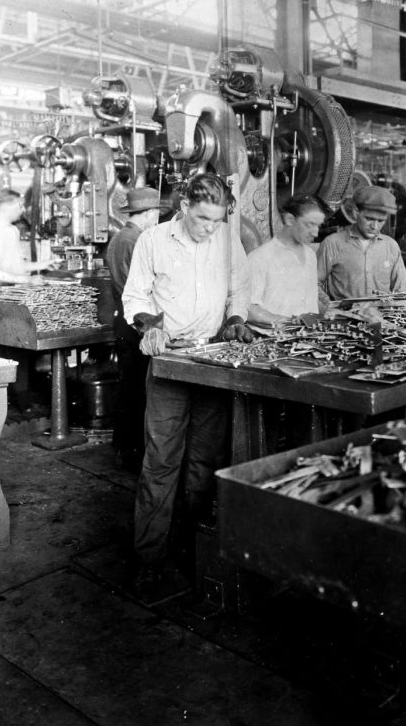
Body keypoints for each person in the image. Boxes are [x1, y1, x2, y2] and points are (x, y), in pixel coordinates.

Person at [121, 173, 251, 600]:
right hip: (170, 361)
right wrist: (149, 325)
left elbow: (240, 288)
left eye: (217, 220)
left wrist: (235, 319)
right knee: (161, 463)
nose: (210, 228)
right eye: (202, 219)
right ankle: (149, 560)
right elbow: (135, 296)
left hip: (211, 360)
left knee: (204, 462)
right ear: (183, 208)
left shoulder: (227, 239)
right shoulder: (153, 240)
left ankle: (193, 549)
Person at [105, 186, 160, 471]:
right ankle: (132, 451)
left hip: (123, 321)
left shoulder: (119, 237)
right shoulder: (137, 240)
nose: (157, 219)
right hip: (135, 324)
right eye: (156, 214)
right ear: (149, 213)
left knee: (130, 388)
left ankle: (125, 447)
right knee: (138, 390)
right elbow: (139, 289)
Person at [316, 185, 406, 301]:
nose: (374, 226)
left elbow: (403, 291)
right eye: (369, 219)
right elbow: (314, 284)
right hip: (344, 317)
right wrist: (329, 307)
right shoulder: (332, 244)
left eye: (381, 221)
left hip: (381, 317)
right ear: (356, 212)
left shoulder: (391, 246)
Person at [247, 194, 327, 326]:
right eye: (310, 224)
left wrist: (329, 312)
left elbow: (306, 300)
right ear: (290, 219)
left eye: (318, 226)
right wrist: (289, 322)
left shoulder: (310, 255)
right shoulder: (259, 258)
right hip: (274, 340)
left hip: (307, 338)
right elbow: (250, 309)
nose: (316, 233)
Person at [0, 188, 56, 285]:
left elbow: (14, 266)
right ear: (7, 207)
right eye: (20, 206)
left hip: (8, 290)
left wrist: (42, 265)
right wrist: (28, 280)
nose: (23, 210)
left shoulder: (11, 230)